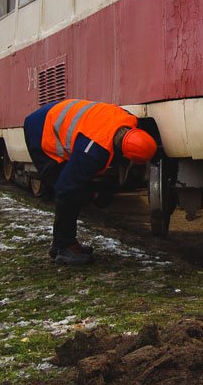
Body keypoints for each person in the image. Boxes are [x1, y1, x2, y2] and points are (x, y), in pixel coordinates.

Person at [22, 99, 158, 265]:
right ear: (125, 156)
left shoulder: (129, 120)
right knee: (69, 191)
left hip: (53, 115)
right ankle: (64, 247)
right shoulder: (93, 150)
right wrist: (94, 195)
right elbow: (65, 189)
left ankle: (59, 245)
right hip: (40, 131)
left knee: (75, 187)